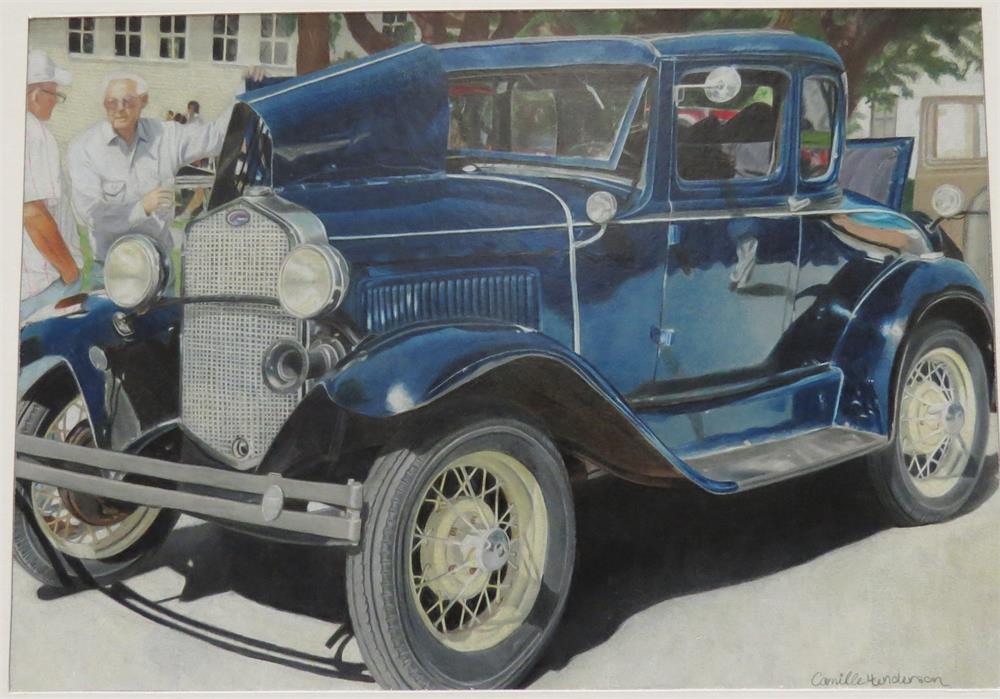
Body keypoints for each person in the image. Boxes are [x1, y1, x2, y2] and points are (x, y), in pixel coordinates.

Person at [67, 71, 240, 271]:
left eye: (128, 101)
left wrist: (245, 92)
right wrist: (142, 207)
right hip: (112, 268)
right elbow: (91, 214)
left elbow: (214, 138)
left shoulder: (166, 136)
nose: (119, 109)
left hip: (160, 268)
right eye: (111, 102)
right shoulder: (84, 147)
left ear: (144, 101)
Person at [21, 50, 83, 320]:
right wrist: (69, 270)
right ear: (35, 95)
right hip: (45, 283)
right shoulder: (36, 134)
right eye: (54, 95)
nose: (56, 102)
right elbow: (32, 213)